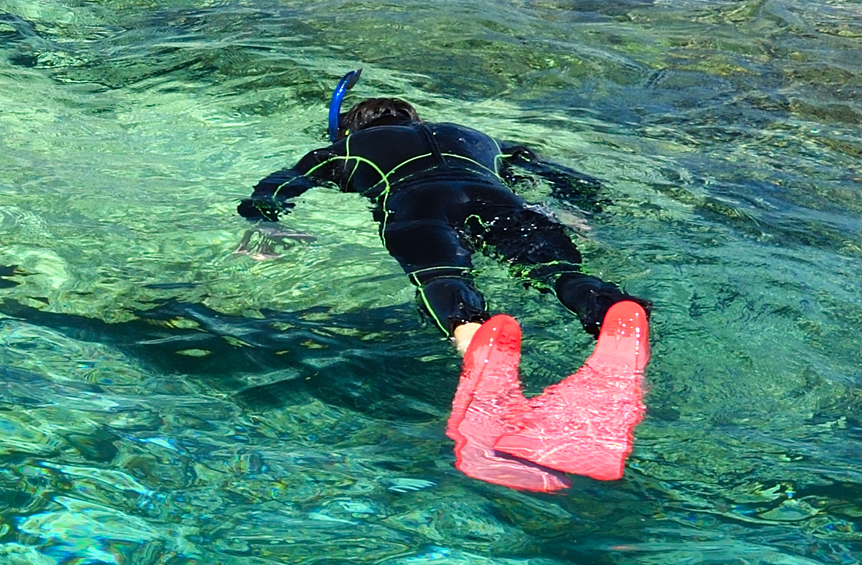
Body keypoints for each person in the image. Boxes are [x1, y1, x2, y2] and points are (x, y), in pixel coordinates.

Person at [238, 74, 651, 489]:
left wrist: (264, 222)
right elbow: (538, 163)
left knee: (444, 276)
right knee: (558, 272)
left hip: (418, 203)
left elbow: (280, 184)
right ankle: (611, 311)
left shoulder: (346, 147)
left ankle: (479, 352)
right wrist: (582, 210)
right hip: (496, 196)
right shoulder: (476, 136)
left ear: (350, 129)